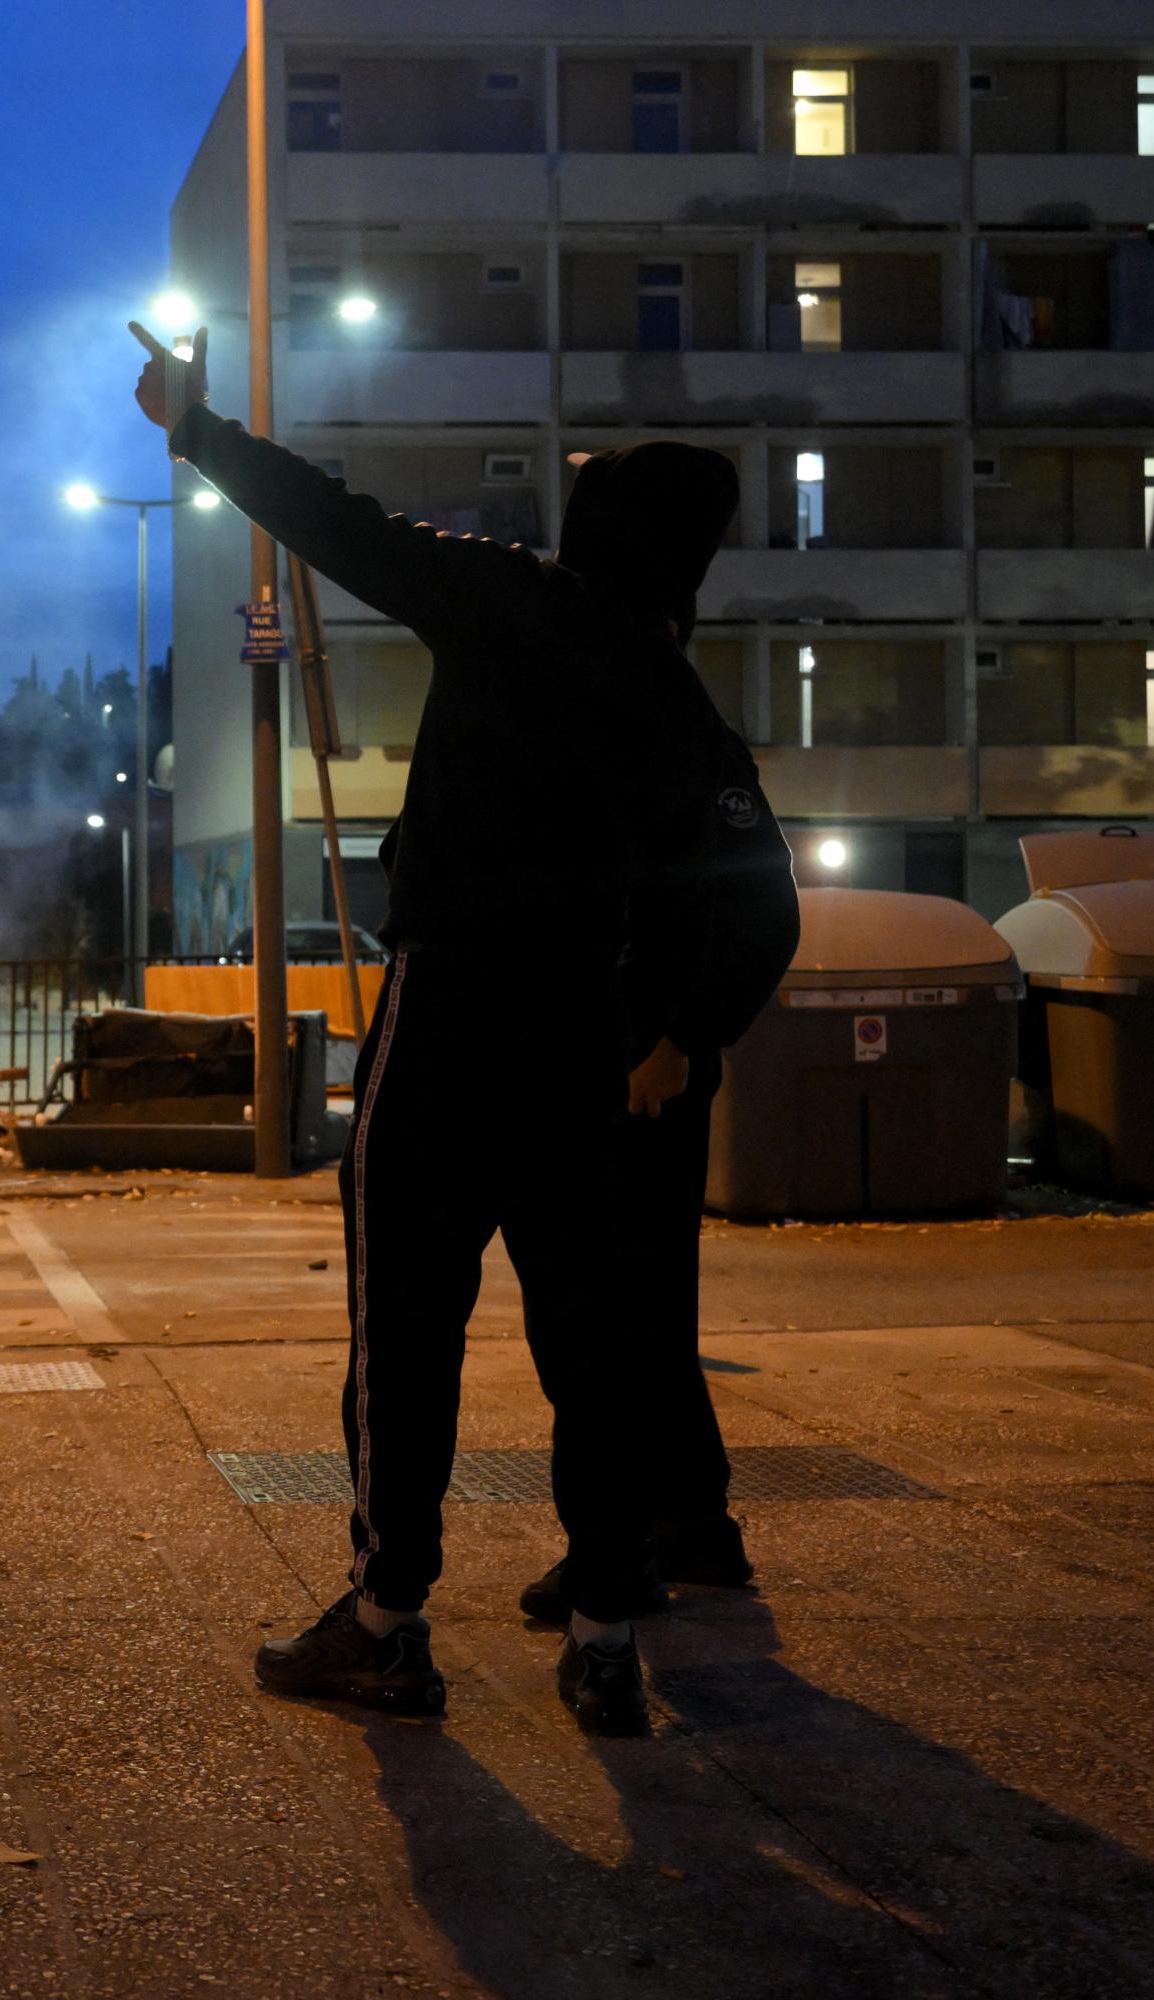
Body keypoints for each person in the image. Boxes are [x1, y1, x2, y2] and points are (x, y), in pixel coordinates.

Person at [125, 322, 734, 1735]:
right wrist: (677, 1035)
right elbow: (720, 873)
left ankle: (391, 1622)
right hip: (586, 1032)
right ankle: (599, 1639)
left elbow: (336, 524)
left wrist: (197, 430)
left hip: (456, 1006)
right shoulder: (668, 688)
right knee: (590, 1342)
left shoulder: (512, 598)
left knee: (408, 1325)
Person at [516, 651, 801, 1627]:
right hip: (614, 1062)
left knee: (608, 1314)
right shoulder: (625, 726)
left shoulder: (678, 737)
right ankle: (685, 1525)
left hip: (643, 1073)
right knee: (632, 1311)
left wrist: (681, 1037)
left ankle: (627, 1542)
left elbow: (766, 910)